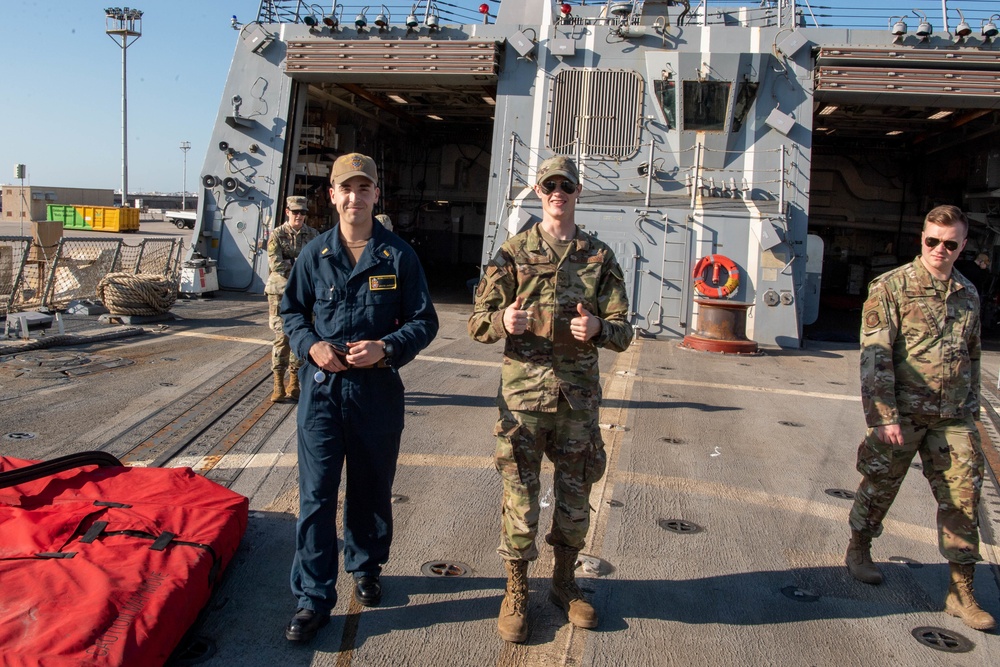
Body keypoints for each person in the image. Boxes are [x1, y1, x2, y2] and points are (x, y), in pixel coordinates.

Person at [468, 155, 633, 643]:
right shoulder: (513, 253)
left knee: (576, 493)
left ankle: (564, 582)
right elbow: (477, 321)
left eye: (565, 185)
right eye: (548, 186)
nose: (557, 193)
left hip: (577, 402)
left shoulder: (599, 257)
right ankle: (516, 589)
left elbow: (625, 331)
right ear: (538, 193)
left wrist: (601, 327)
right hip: (523, 400)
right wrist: (503, 323)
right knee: (519, 493)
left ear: (578, 192)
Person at [280, 153, 439, 642]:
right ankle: (312, 598)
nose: (354, 197)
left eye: (363, 188)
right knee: (316, 497)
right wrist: (313, 347)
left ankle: (367, 566)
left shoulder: (398, 256)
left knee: (371, 489)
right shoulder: (314, 256)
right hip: (323, 397)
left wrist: (387, 347)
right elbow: (292, 315)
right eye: (345, 188)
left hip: (376, 395)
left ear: (375, 195)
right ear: (333, 195)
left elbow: (424, 321)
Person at [846, 204, 995, 632]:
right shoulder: (892, 287)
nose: (939, 250)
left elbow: (973, 356)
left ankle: (961, 589)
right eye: (932, 241)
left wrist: (969, 415)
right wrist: (883, 416)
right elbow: (875, 356)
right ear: (922, 239)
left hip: (952, 419)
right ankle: (859, 548)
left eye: (950, 244)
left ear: (963, 245)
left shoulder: (968, 294)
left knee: (964, 499)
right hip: (902, 415)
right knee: (879, 485)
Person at [264, 196, 320, 402]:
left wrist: (294, 262)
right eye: (295, 212)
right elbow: (276, 264)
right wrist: (300, 267)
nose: (299, 216)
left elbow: (317, 263)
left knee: (300, 335)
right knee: (281, 337)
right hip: (280, 293)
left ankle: (294, 381)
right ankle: (278, 383)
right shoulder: (277, 235)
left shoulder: (314, 235)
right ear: (287, 212)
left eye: (303, 212)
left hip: (305, 295)